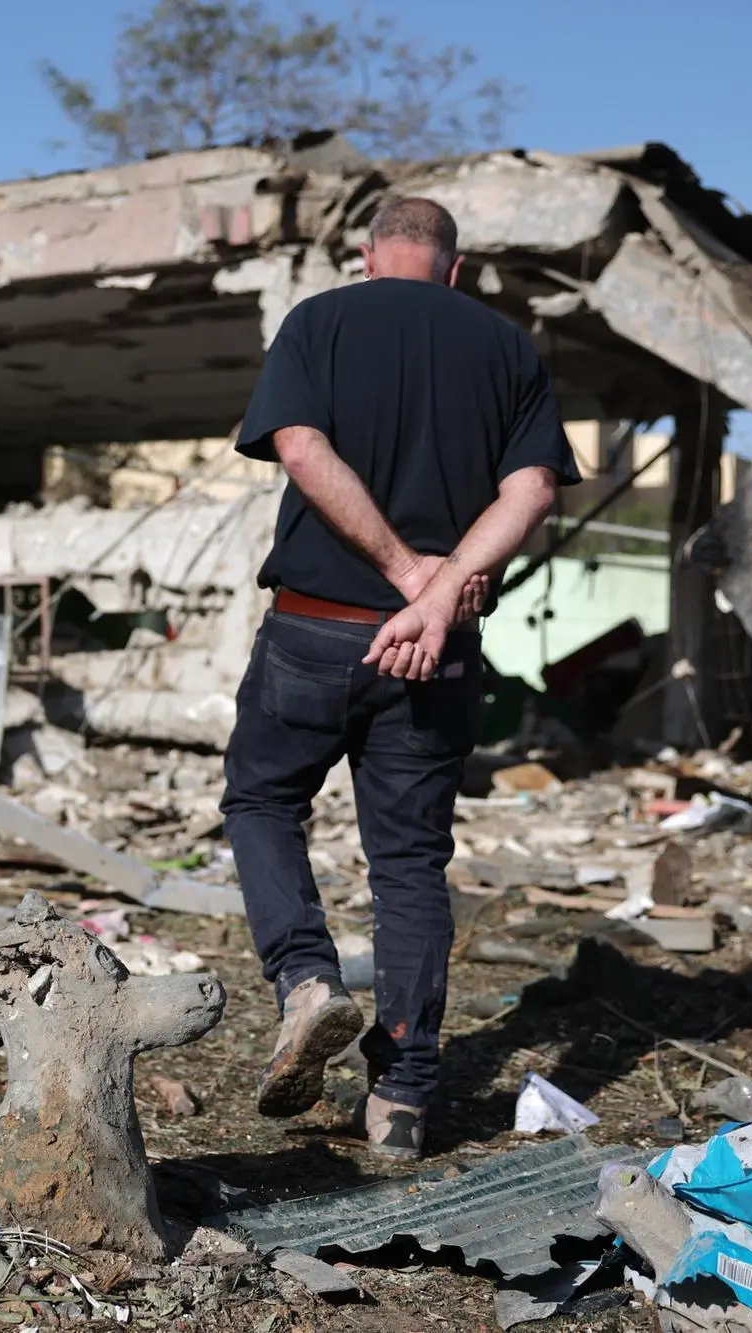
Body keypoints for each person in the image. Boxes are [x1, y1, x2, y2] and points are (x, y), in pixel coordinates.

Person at [219, 196, 580, 1159]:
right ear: (454, 269)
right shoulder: (506, 347)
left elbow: (299, 448)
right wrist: (442, 589)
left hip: (315, 629)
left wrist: (398, 573)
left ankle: (305, 981)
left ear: (367, 255)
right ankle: (402, 1096)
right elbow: (532, 488)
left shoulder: (319, 321)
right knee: (410, 864)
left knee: (260, 801)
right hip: (440, 649)